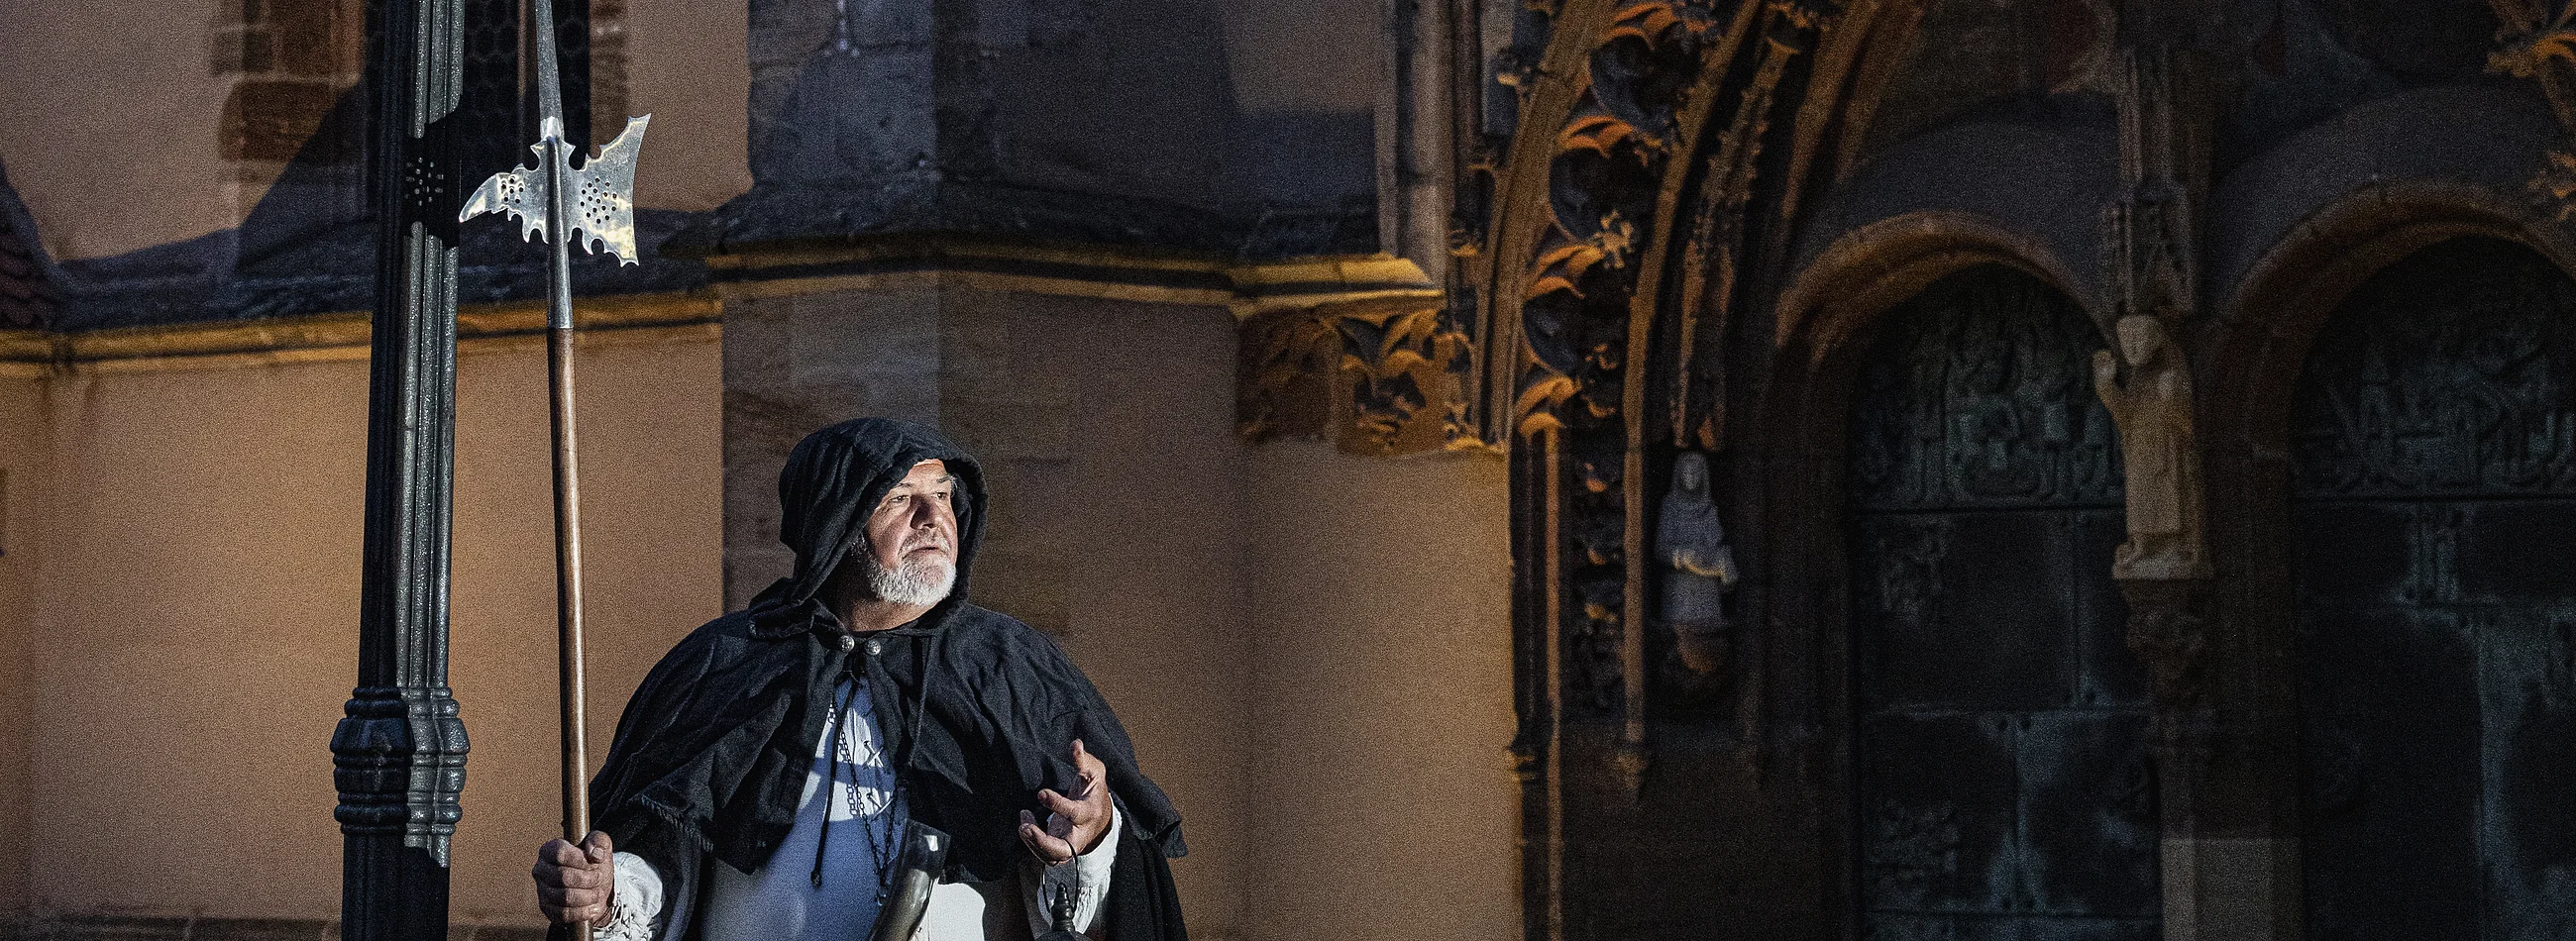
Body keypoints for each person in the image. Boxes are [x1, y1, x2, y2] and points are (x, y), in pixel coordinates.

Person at [530, 418, 1187, 941]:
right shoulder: (726, 663)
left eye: (943, 497)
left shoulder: (1012, 668)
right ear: (835, 525)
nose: (934, 518)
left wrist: (1093, 840)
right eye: (901, 499)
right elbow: (664, 865)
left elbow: (1092, 909)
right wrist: (607, 894)